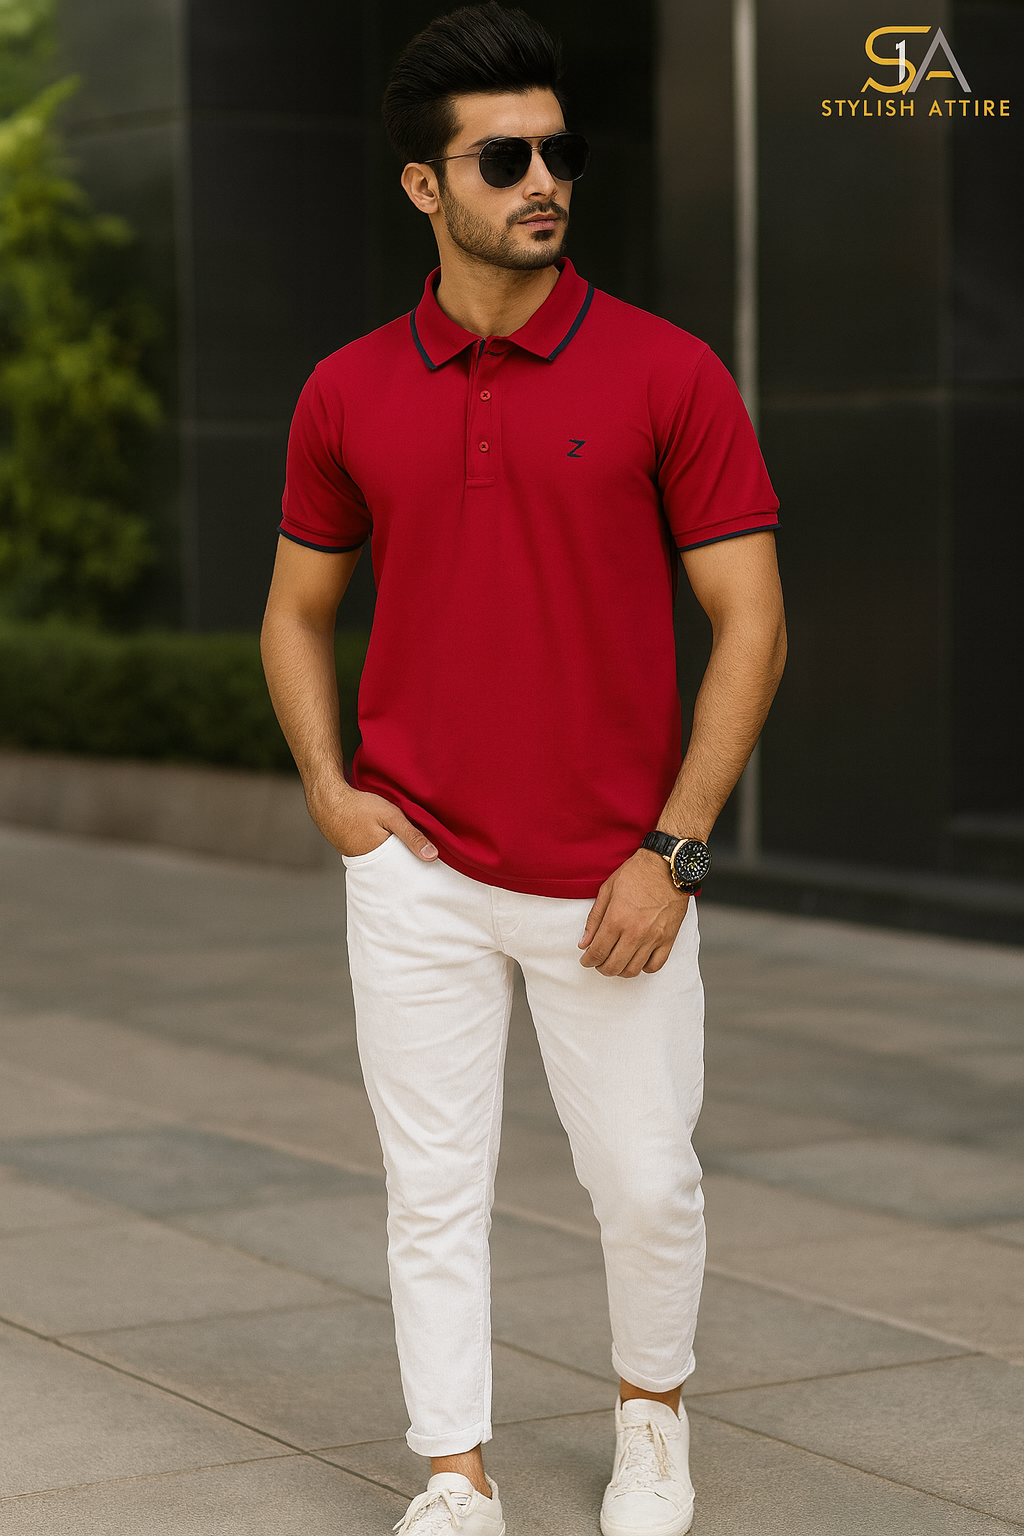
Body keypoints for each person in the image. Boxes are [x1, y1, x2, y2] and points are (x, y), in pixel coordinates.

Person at [261, 5, 786, 1532]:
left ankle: (652, 1420)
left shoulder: (668, 373)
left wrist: (675, 851)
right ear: (426, 185)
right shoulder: (346, 389)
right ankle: (454, 1472)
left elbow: (752, 622)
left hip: (614, 871)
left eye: (558, 151)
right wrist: (334, 796)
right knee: (430, 1184)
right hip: (415, 866)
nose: (544, 178)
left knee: (646, 1180)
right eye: (505, 158)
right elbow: (295, 612)